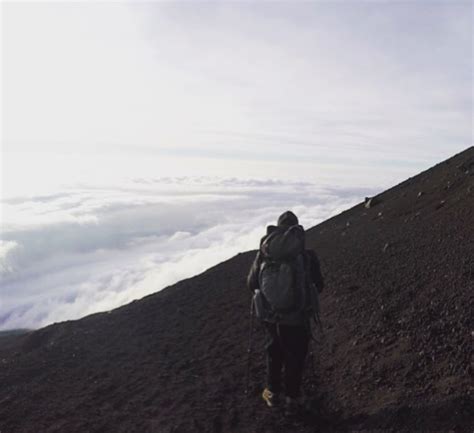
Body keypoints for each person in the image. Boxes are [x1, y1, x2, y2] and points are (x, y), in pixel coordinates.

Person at [246, 210, 324, 416]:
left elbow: (251, 283)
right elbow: (320, 285)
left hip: (271, 318)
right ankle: (293, 398)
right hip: (297, 317)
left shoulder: (263, 253)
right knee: (295, 355)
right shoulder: (307, 255)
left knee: (274, 352)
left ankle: (272, 393)